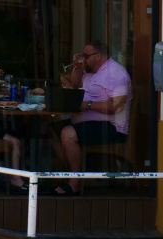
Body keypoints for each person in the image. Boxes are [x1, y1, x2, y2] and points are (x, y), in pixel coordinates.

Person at [56, 40, 131, 195]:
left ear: (98, 56)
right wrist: (77, 65)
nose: (83, 58)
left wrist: (88, 104)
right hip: (89, 122)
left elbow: (115, 107)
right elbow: (75, 84)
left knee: (67, 134)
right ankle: (74, 171)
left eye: (86, 56)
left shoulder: (116, 74)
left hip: (112, 127)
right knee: (50, 129)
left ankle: (74, 183)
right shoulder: (91, 71)